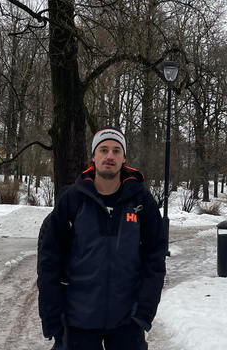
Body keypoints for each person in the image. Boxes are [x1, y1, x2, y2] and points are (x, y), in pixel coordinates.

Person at [37, 126, 167, 350]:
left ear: (124, 158)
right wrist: (52, 317)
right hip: (78, 321)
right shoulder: (72, 200)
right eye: (104, 149)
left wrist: (144, 310)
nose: (110, 156)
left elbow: (155, 258)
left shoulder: (142, 202)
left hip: (127, 321)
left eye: (117, 151)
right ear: (93, 156)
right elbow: (49, 260)